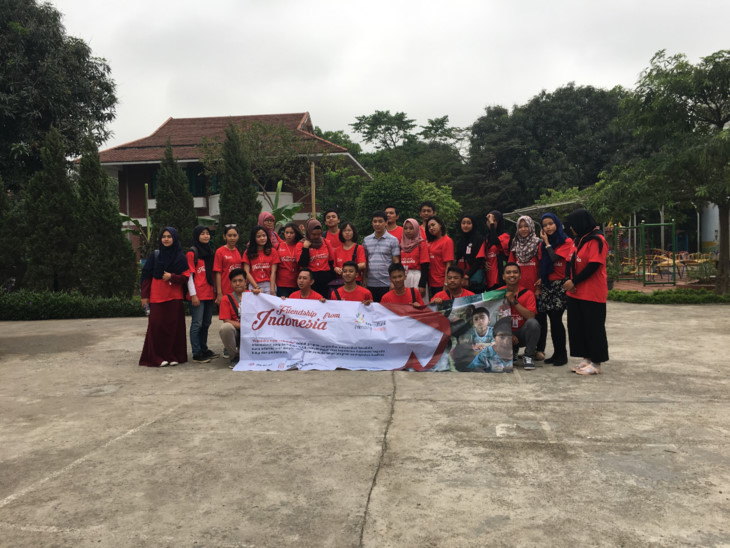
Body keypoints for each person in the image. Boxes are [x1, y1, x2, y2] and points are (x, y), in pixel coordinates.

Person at [563, 209, 609, 375]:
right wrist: (568, 280)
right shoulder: (578, 240)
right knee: (578, 327)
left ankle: (596, 363)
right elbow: (569, 261)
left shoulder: (597, 240)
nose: (571, 228)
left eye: (573, 225)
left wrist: (574, 281)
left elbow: (593, 265)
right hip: (575, 292)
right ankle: (587, 358)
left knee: (593, 327)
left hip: (592, 292)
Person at [139, 227, 190, 367]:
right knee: (156, 326)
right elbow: (146, 276)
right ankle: (156, 357)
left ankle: (173, 356)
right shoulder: (155, 255)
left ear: (174, 238)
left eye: (169, 236)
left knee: (174, 327)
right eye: (163, 236)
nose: (166, 239)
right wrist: (144, 296)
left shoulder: (180, 257)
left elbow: (186, 277)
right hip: (157, 296)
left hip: (174, 297)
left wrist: (171, 276)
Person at [535, 213, 573, 366]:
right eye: (545, 225)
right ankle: (556, 353)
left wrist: (546, 242)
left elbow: (554, 258)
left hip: (560, 285)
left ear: (557, 223)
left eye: (550, 223)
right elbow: (542, 263)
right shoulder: (541, 245)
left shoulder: (566, 241)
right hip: (548, 284)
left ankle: (562, 355)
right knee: (551, 321)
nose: (548, 227)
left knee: (557, 320)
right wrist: (540, 279)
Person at [186, 225, 218, 363]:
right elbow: (189, 276)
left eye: (207, 233)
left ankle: (204, 349)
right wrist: (193, 295)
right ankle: (196, 352)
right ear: (196, 236)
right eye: (202, 233)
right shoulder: (192, 253)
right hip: (197, 294)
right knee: (197, 324)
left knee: (206, 323)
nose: (206, 236)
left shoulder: (210, 252)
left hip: (209, 293)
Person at [500, 262, 540, 370]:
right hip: (504, 335)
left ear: (520, 275)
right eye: (508, 272)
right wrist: (508, 334)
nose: (512, 275)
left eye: (515, 272)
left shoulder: (528, 294)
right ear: (503, 276)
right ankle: (511, 351)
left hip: (521, 334)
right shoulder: (497, 293)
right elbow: (493, 321)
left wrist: (513, 301)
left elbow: (531, 316)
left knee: (533, 324)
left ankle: (528, 356)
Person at [362, 211, 400, 302]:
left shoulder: (393, 240)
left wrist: (394, 282)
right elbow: (365, 261)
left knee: (386, 308)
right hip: (371, 283)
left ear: (386, 222)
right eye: (375, 221)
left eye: (380, 221)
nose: (377, 224)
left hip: (387, 283)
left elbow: (396, 262)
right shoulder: (366, 240)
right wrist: (364, 280)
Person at [296, 218, 334, 298]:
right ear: (308, 232)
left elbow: (331, 261)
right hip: (309, 279)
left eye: (319, 234)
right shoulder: (301, 244)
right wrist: (305, 249)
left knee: (323, 300)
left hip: (325, 279)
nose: (316, 236)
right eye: (313, 234)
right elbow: (302, 264)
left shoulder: (326, 242)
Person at [476, 210, 510, 291]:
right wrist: (484, 263)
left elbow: (495, 241)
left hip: (500, 277)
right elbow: (480, 256)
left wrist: (491, 224)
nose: (491, 223)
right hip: (488, 279)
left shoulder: (505, 235)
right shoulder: (486, 239)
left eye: (494, 221)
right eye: (489, 221)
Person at [219, 268, 246, 369]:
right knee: (225, 327)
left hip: (250, 334)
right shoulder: (226, 299)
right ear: (230, 283)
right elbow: (226, 320)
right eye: (234, 281)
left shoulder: (253, 295)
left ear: (246, 281)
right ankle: (234, 356)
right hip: (237, 333)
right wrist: (244, 326)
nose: (237, 283)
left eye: (240, 280)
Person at [509, 215, 542, 294]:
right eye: (520, 227)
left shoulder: (538, 243)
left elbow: (543, 264)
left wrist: (539, 287)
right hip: (518, 289)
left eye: (526, 226)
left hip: (536, 288)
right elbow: (510, 266)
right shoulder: (515, 244)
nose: (523, 229)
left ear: (531, 226)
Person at [242, 225, 280, 295]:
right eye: (258, 236)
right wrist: (257, 287)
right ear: (254, 238)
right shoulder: (247, 252)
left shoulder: (273, 251)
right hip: (254, 285)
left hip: (269, 285)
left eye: (264, 235)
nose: (262, 238)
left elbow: (273, 272)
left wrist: (272, 290)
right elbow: (246, 272)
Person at [455, 214, 486, 294]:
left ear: (473, 224)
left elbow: (479, 259)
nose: (465, 225)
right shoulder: (460, 240)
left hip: (474, 277)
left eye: (469, 223)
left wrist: (467, 275)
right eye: (463, 223)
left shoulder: (479, 239)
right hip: (462, 276)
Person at [399, 218, 429, 297]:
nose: (408, 231)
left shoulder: (421, 244)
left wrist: (422, 284)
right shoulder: (401, 245)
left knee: (417, 300)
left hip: (417, 277)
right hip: (403, 277)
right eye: (405, 228)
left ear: (416, 229)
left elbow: (425, 265)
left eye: (411, 228)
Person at [213, 224, 243, 306]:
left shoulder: (238, 251)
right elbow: (218, 273)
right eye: (229, 235)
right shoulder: (220, 251)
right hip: (225, 290)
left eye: (234, 235)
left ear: (238, 236)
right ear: (224, 236)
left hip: (237, 290)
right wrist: (219, 293)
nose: (232, 238)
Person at [425, 215, 454, 296]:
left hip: (441, 282)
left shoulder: (447, 241)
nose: (431, 228)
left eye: (433, 225)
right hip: (431, 281)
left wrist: (446, 282)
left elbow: (448, 264)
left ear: (440, 224)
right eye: (429, 227)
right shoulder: (429, 241)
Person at [331, 221, 366, 287]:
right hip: (341, 282)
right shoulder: (337, 250)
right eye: (344, 231)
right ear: (341, 233)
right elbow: (335, 266)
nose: (347, 232)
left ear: (353, 232)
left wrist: (346, 269)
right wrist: (337, 269)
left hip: (355, 281)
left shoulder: (359, 248)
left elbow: (363, 265)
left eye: (349, 230)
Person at [276, 222, 303, 297]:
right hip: (281, 284)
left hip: (296, 283)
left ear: (296, 234)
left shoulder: (299, 245)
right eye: (286, 232)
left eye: (291, 233)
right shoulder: (278, 246)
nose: (288, 235)